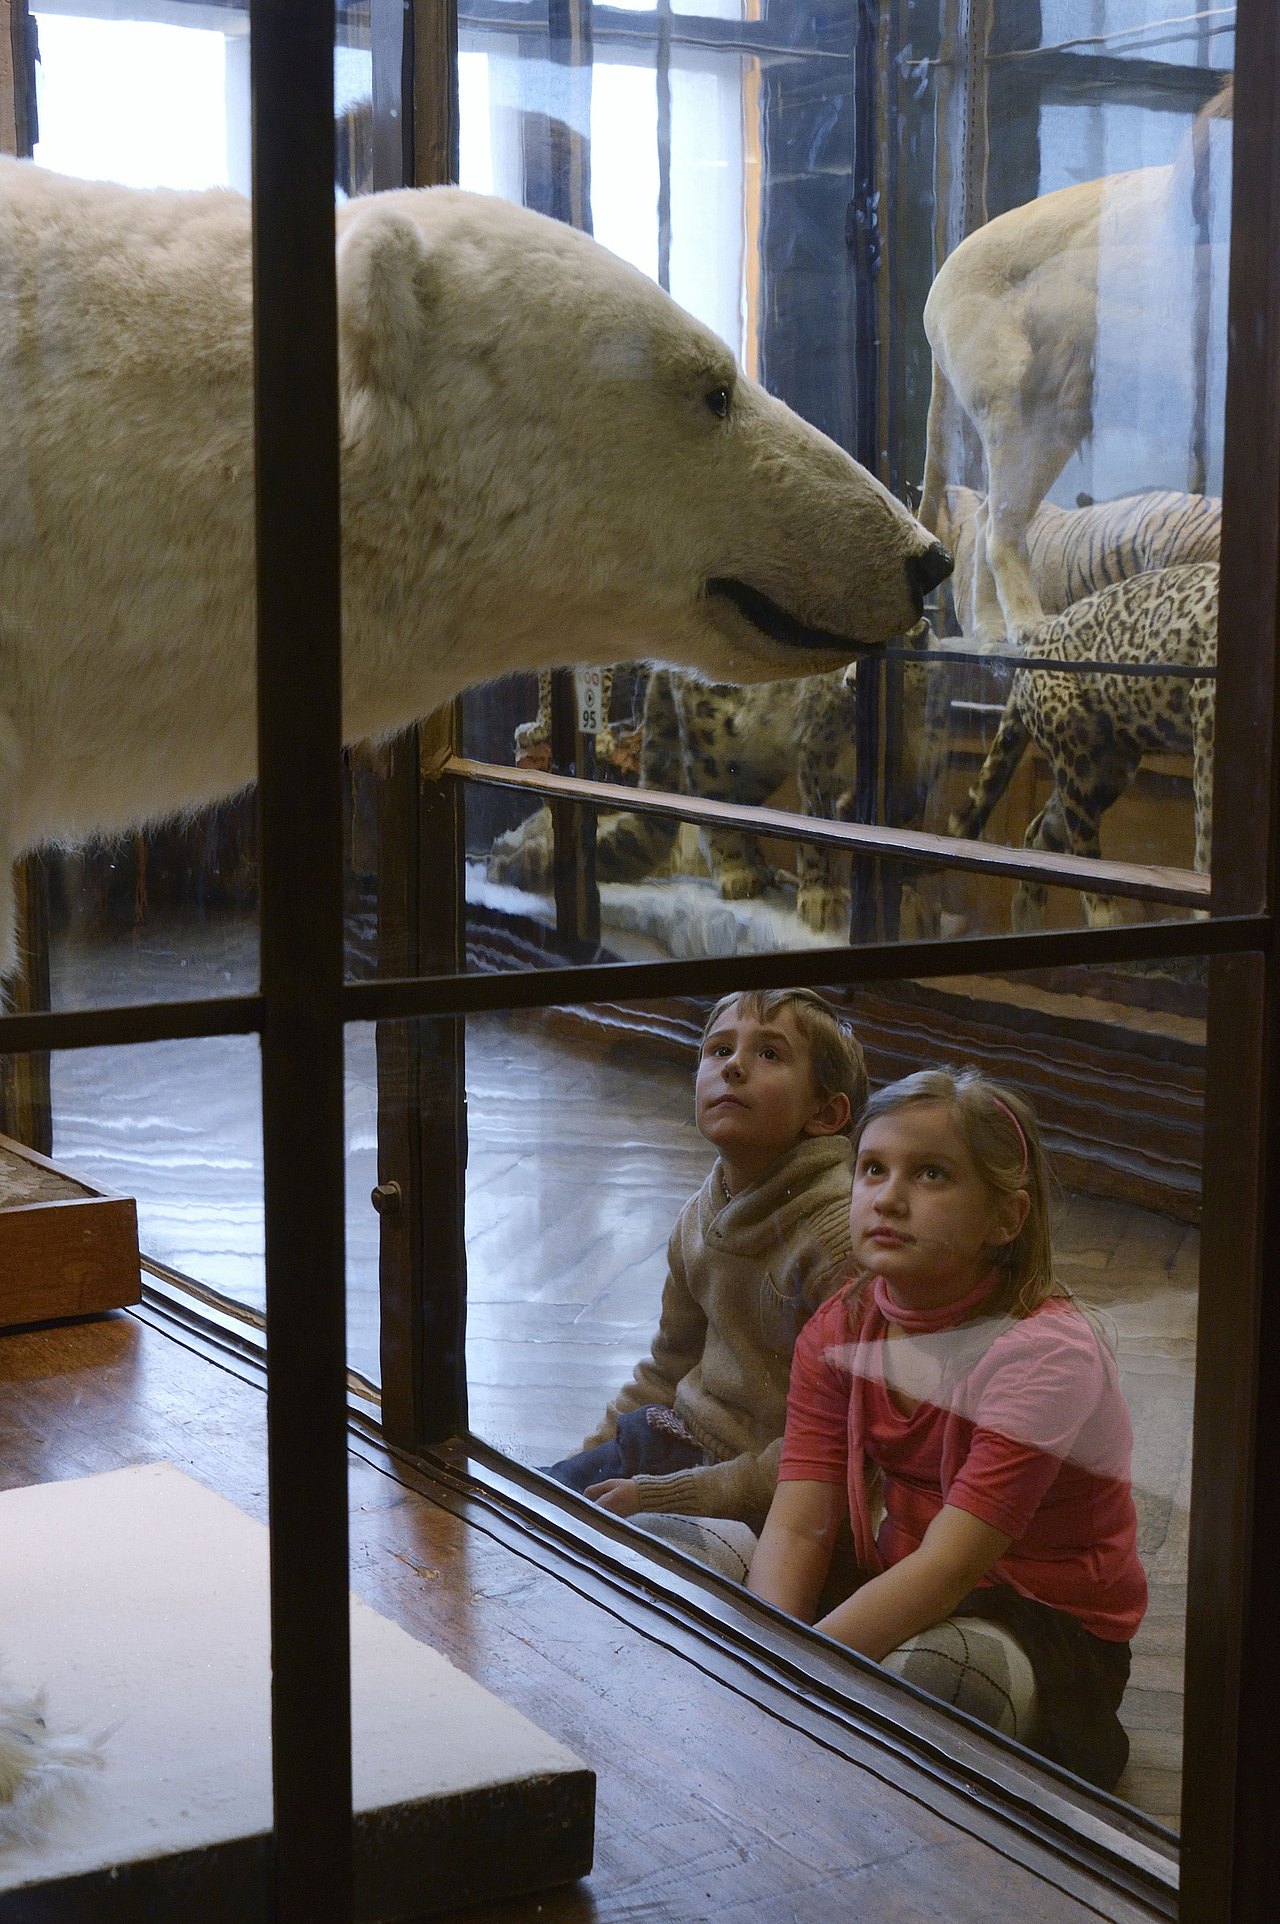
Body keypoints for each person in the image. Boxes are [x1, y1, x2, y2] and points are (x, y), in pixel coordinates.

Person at [748, 1066, 1146, 1791]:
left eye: (930, 1175)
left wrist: (787, 1681)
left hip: (1040, 1625)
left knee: (935, 1681)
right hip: (904, 1577)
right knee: (684, 1559)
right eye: (872, 1169)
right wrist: (766, 1655)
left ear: (1006, 1219)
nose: (889, 1198)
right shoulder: (843, 1323)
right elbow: (801, 1524)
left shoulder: (1045, 1353)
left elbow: (950, 1567)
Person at [545, 988, 867, 1529]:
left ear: (827, 1113)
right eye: (719, 1050)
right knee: (529, 1514)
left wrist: (662, 1496)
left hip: (760, 1498)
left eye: (769, 1054)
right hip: (670, 1442)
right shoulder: (702, 1211)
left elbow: (832, 1451)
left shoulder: (840, 1243)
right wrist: (583, 1464)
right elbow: (668, 1364)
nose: (735, 1066)